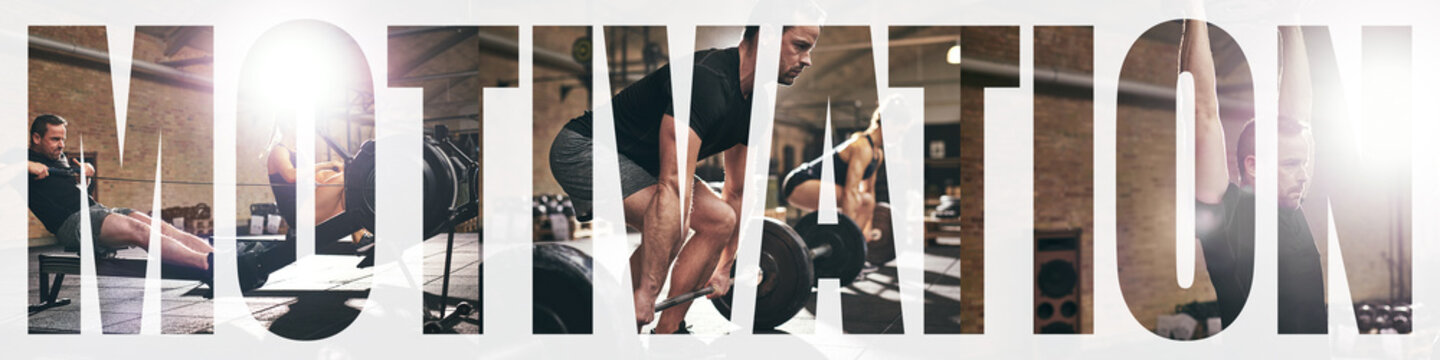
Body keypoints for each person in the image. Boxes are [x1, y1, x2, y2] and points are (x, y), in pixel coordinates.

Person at [548, 25, 822, 333]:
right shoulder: (706, 80)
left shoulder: (755, 105)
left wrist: (724, 266)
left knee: (719, 219)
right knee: (672, 224)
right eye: (800, 46)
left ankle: (669, 331)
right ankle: (622, 319)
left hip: (643, 163)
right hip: (585, 148)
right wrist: (647, 293)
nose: (807, 59)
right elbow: (674, 187)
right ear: (769, 36)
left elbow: (738, 190)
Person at [1190, 21, 1326, 333]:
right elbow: (1203, 113)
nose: (1304, 175)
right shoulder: (1227, 214)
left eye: (1303, 163)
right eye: (1292, 164)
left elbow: (1300, 115)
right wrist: (1194, 13)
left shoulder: (1291, 208)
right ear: (1253, 166)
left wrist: (1290, 21)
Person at [26, 114, 215, 277]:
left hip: (94, 210)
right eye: (55, 139)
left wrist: (86, 175)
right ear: (36, 137)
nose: (61, 145)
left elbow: (72, 194)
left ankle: (222, 257)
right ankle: (207, 263)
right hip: (70, 224)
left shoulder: (60, 158)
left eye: (63, 139)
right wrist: (26, 165)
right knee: (139, 230)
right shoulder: (21, 158)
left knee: (158, 225)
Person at [779, 107, 885, 245]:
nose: (900, 136)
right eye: (900, 131)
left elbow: (869, 191)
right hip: (799, 182)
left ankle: (853, 248)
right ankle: (847, 246)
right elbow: (850, 193)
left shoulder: (877, 154)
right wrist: (844, 232)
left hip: (823, 187)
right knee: (857, 199)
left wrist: (867, 228)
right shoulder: (862, 147)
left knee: (867, 200)